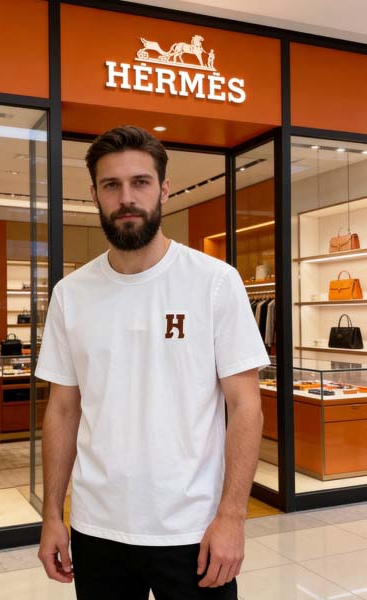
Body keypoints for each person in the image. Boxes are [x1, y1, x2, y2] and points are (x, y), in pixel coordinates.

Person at [36, 125, 269, 599]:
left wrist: (232, 516)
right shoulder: (70, 294)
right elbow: (62, 409)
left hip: (192, 529)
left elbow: (246, 405)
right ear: (95, 195)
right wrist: (52, 515)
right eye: (111, 185)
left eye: (140, 182)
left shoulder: (214, 282)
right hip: (96, 528)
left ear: (163, 189)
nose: (126, 197)